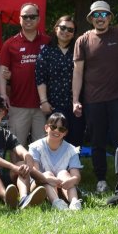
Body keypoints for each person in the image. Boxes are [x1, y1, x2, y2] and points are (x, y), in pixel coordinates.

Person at [72, 0, 118, 194]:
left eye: (104, 14)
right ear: (91, 19)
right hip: (93, 100)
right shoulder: (83, 40)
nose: (100, 18)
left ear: (110, 17)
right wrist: (75, 99)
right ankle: (101, 179)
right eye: (96, 15)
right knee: (97, 141)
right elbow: (78, 72)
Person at [0, 3, 51, 146]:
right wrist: (3, 94)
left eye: (32, 16)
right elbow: (2, 72)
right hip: (18, 104)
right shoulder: (10, 43)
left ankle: (38, 170)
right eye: (25, 16)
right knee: (17, 146)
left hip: (43, 105)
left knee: (41, 147)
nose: (28, 20)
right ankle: (16, 169)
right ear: (20, 19)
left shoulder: (48, 41)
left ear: (38, 19)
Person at [35, 15, 81, 146]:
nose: (66, 32)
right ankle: (55, 166)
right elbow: (40, 77)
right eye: (63, 28)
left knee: (75, 139)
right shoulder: (46, 51)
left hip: (75, 104)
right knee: (56, 138)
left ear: (74, 34)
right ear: (56, 29)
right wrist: (43, 101)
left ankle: (73, 165)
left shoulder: (78, 50)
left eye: (70, 30)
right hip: (54, 104)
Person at [28, 112, 84, 211]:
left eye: (61, 129)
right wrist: (48, 179)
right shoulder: (35, 147)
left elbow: (76, 176)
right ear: (46, 128)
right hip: (38, 185)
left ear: (65, 133)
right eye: (53, 127)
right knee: (48, 174)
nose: (57, 131)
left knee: (64, 173)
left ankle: (74, 202)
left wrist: (71, 180)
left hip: (62, 186)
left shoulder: (71, 150)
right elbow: (34, 172)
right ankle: (56, 202)